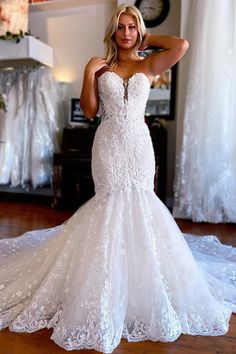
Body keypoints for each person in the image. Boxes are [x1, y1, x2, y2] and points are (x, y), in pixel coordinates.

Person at [0, 4, 236, 354]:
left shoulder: (149, 64)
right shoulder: (102, 66)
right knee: (109, 204)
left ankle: (141, 280)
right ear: (112, 32)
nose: (126, 33)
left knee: (142, 203)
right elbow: (91, 111)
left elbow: (181, 44)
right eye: (121, 27)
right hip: (108, 143)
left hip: (139, 145)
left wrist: (146, 36)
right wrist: (87, 73)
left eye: (131, 27)